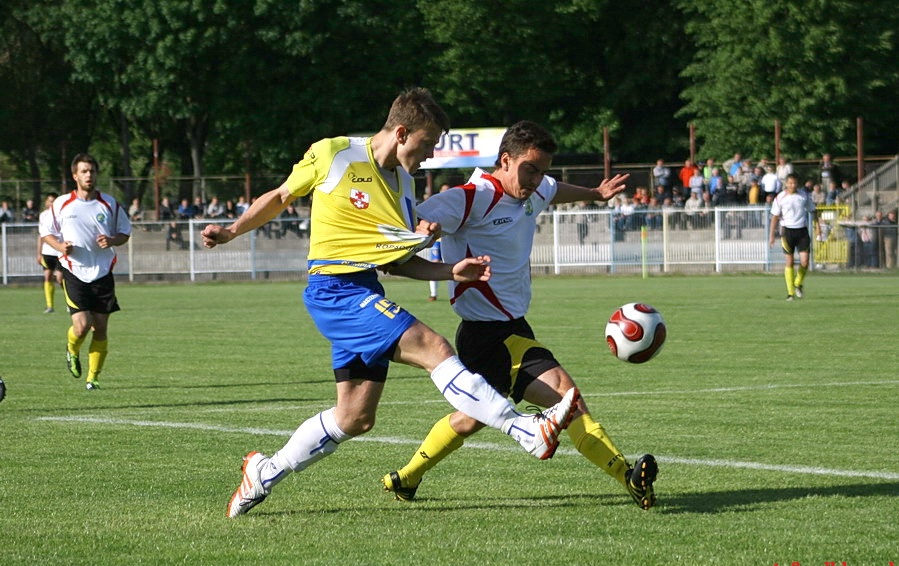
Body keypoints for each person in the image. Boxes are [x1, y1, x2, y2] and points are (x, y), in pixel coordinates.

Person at [200, 88, 577, 518]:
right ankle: (522, 428)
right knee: (435, 348)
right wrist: (231, 231)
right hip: (333, 289)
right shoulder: (335, 153)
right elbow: (282, 196)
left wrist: (449, 271)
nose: (430, 155)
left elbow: (397, 263)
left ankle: (263, 473)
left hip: (364, 290)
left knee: (355, 417)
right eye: (428, 143)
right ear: (401, 132)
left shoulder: (403, 184)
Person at [381, 120, 658, 510]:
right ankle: (627, 476)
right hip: (484, 333)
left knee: (471, 419)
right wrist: (420, 226)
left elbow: (552, 190)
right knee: (567, 399)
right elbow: (408, 216)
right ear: (505, 160)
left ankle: (405, 478)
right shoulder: (471, 196)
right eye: (530, 168)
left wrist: (594, 193)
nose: (537, 179)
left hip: (513, 328)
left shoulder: (533, 188)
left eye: (543, 170)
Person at [38, 153, 132, 390]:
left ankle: (93, 378)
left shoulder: (109, 203)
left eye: (91, 171)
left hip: (102, 273)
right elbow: (46, 231)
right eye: (83, 171)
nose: (88, 175)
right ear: (74, 175)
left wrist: (111, 240)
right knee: (81, 326)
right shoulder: (61, 204)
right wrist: (60, 247)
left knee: (100, 327)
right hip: (74, 271)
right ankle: (72, 348)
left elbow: (125, 232)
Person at [768, 174, 820, 301]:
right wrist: (772, 236)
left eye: (795, 183)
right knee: (789, 261)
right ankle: (790, 293)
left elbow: (813, 211)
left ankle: (797, 284)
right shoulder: (780, 197)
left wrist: (818, 228)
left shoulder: (803, 195)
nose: (793, 185)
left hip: (802, 231)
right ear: (786, 183)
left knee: (805, 262)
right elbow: (775, 217)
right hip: (787, 231)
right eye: (790, 183)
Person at [38, 194, 63, 313]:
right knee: (47, 276)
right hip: (47, 251)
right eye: (49, 201)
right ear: (46, 203)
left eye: (54, 201)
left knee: (60, 278)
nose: (51, 203)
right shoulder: (43, 215)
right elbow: (41, 235)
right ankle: (50, 306)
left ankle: (71, 302)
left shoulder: (62, 213)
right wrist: (38, 253)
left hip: (59, 251)